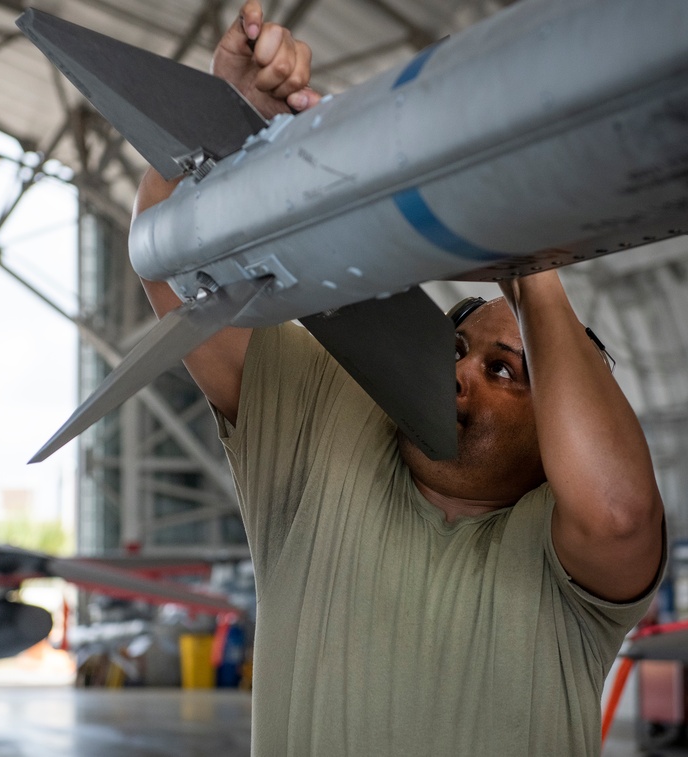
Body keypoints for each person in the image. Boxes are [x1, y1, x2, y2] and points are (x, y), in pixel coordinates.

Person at [134, 3, 666, 754]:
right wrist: (222, 124)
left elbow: (616, 511)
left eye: (504, 371)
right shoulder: (323, 437)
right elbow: (172, 274)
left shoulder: (562, 569)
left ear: (558, 438)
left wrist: (531, 272)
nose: (460, 375)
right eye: (457, 347)